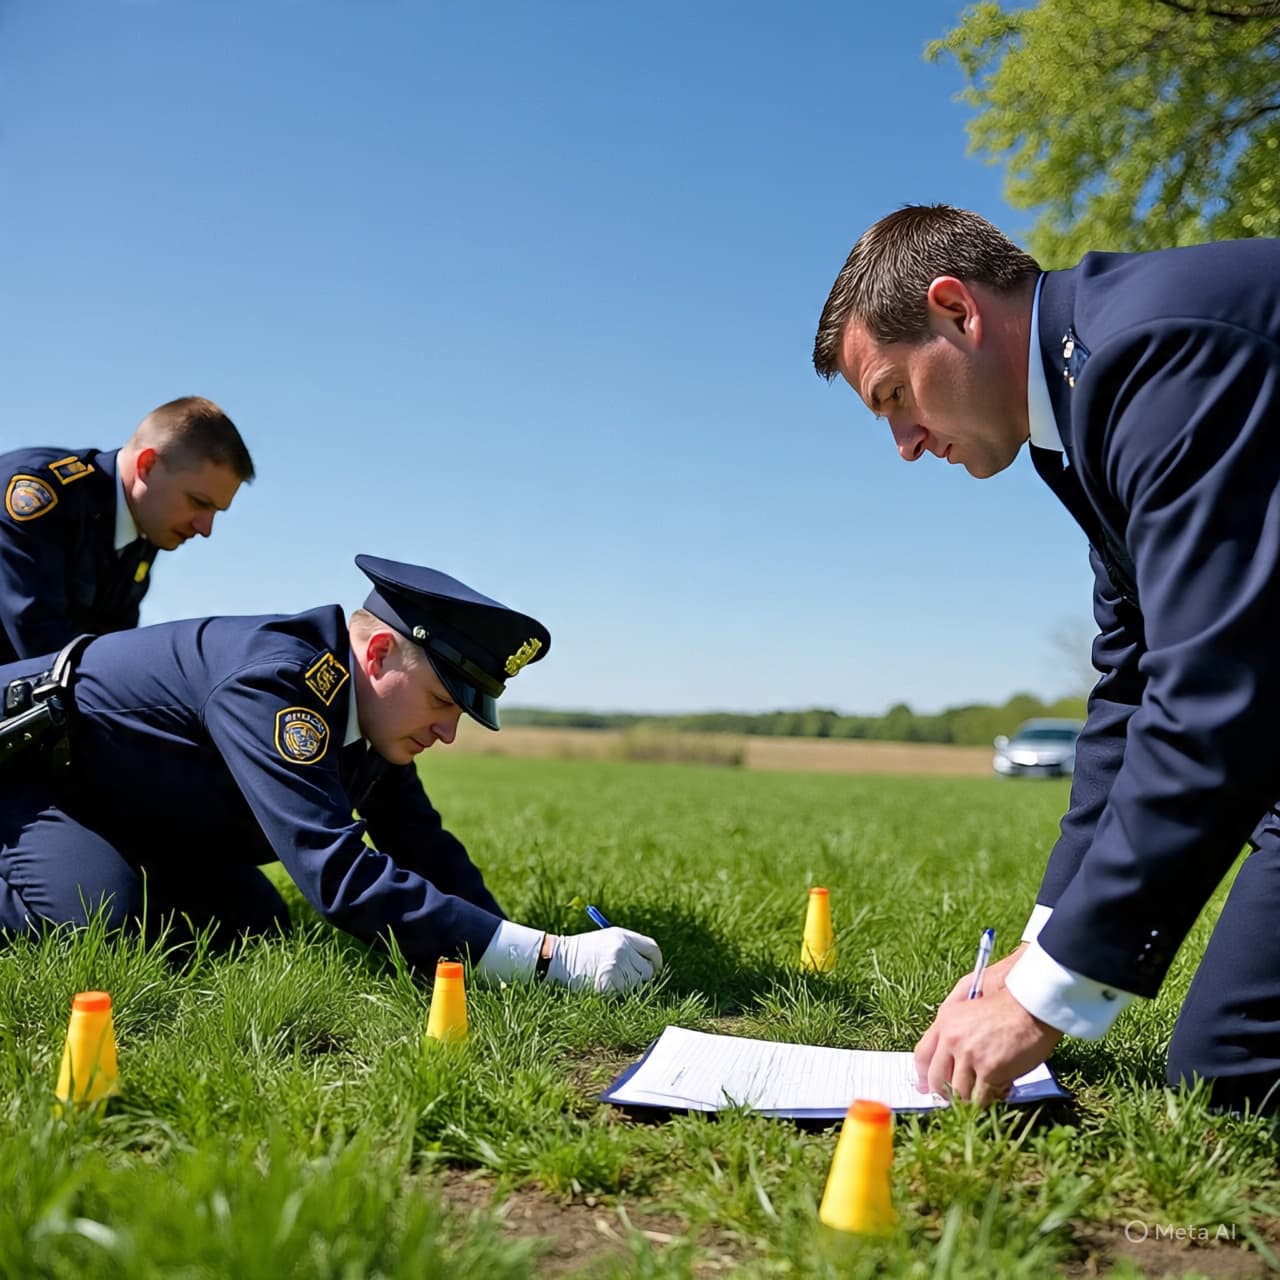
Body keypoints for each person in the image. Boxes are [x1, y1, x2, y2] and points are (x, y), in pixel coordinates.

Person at [812, 203, 1280, 1111]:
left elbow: (1217, 686)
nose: (903, 445)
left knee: (1237, 1074)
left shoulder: (1156, 359)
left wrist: (1046, 995)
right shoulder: (1076, 420)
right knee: (1227, 1072)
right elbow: (1133, 677)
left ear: (956, 310)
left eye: (893, 397)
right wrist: (1042, 945)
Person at [0, 554, 663, 994]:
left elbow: (420, 843)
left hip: (120, 802)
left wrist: (518, 942)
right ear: (377, 653)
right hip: (25, 777)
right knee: (100, 930)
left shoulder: (365, 716)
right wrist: (552, 962)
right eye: (441, 700)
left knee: (254, 926)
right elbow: (337, 875)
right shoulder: (277, 682)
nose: (448, 730)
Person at [0, 396, 254, 663]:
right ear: (147, 466)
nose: (205, 528)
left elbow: (111, 646)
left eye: (216, 511)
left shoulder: (145, 527)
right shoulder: (44, 494)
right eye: (199, 502)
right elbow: (41, 645)